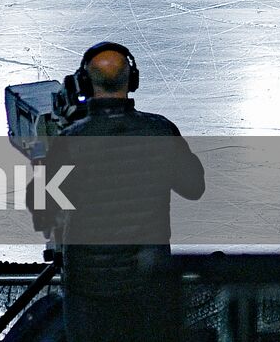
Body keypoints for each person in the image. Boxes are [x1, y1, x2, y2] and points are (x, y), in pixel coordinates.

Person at [33, 42, 206, 342]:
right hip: (150, 283)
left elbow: (42, 209)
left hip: (88, 288)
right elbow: (193, 187)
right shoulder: (160, 131)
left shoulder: (70, 140)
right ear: (132, 80)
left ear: (83, 84)